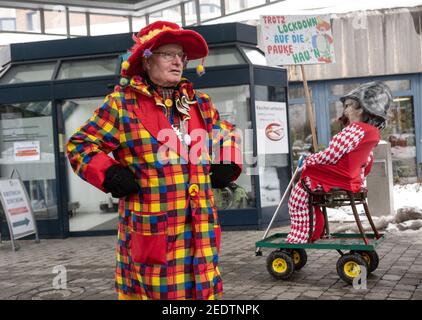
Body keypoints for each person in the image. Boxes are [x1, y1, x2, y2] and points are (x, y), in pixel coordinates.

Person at [66, 21, 242, 300]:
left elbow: (226, 133)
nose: (177, 61)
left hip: (200, 230)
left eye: (181, 56)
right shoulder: (122, 105)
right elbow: (80, 145)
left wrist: (227, 161)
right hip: (155, 232)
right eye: (168, 54)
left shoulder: (200, 104)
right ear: (146, 61)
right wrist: (110, 174)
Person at [286, 81, 392, 244]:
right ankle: (313, 228)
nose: (346, 110)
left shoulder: (354, 130)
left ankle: (301, 235)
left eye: (349, 105)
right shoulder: (372, 133)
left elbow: (331, 155)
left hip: (336, 178)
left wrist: (309, 160)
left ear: (362, 108)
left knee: (298, 195)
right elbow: (367, 162)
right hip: (351, 180)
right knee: (308, 196)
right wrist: (357, 176)